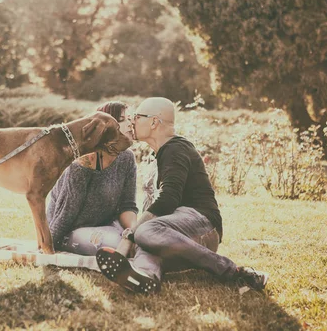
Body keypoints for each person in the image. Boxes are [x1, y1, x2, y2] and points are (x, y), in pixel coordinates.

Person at [96, 97, 269, 293]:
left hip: (202, 225)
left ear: (154, 122)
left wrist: (132, 233)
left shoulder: (176, 148)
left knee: (144, 231)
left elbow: (168, 199)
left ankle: (234, 272)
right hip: (176, 235)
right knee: (146, 240)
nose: (132, 122)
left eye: (136, 117)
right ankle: (145, 277)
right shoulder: (161, 153)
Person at [47, 101, 138, 256]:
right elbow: (66, 214)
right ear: (107, 126)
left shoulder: (127, 158)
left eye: (130, 119)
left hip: (107, 225)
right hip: (73, 231)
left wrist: (134, 232)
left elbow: (127, 205)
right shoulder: (82, 162)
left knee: (143, 241)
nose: (131, 124)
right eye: (123, 119)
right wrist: (47, 246)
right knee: (116, 244)